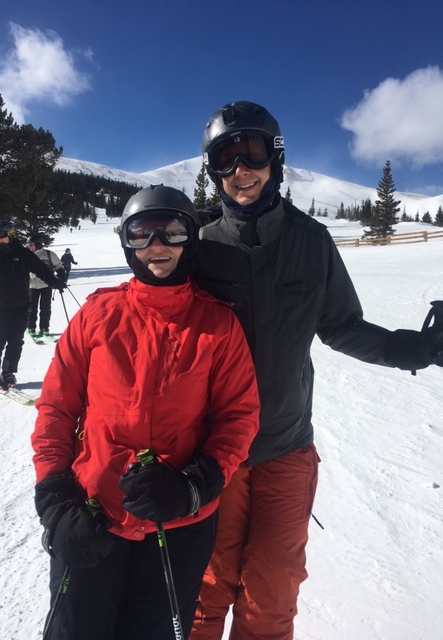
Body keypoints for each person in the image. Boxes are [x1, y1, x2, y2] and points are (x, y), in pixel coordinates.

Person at [190, 101, 443, 640]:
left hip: (285, 448)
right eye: (225, 158)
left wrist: (415, 349)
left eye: (252, 152)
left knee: (271, 596)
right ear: (212, 170)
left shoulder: (310, 242)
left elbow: (342, 325)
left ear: (275, 158)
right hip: (212, 454)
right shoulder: (199, 246)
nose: (241, 169)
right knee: (204, 592)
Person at [31, 185, 260, 639]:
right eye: (141, 234)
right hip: (92, 515)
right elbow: (56, 407)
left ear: (190, 239)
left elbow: (239, 415)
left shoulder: (218, 323)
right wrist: (54, 496)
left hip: (177, 522)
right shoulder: (98, 314)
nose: (157, 246)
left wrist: (195, 485)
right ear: (127, 241)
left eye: (171, 232)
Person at [0, 220, 66, 389]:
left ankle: (7, 372)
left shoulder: (23, 254)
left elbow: (41, 269)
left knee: (15, 341)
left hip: (21, 305)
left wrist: (54, 282)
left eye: (1, 235)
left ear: (11, 235)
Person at [27, 235, 66, 337]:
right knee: (31, 309)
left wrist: (61, 279)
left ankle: (44, 328)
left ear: (38, 244)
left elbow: (59, 266)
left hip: (46, 285)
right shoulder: (27, 255)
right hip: (32, 286)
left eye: (31, 245)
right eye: (28, 245)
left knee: (45, 308)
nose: (29, 247)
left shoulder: (49, 254)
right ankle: (31, 328)